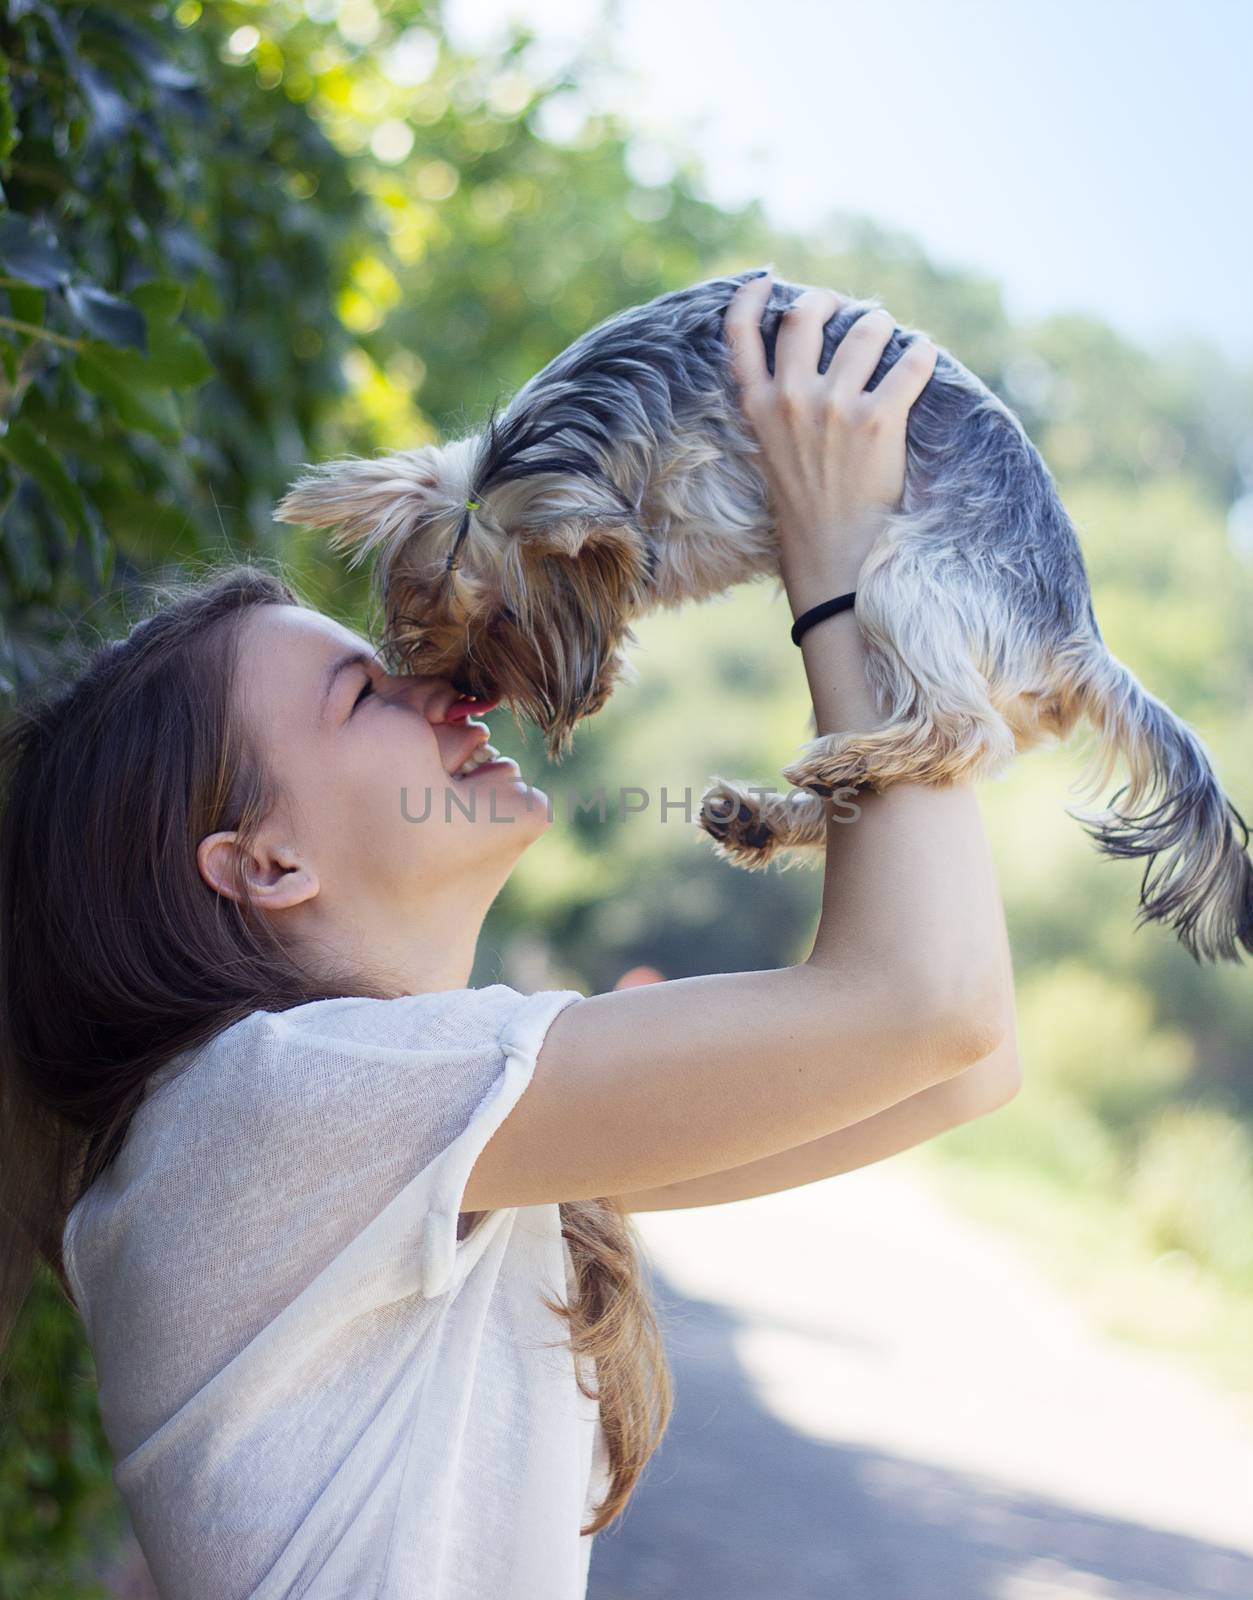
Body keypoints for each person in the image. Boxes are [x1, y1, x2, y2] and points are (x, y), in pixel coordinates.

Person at [0, 274, 1018, 1599]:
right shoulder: (294, 1105)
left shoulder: (316, 1130)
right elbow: (930, 1009)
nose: (449, 689)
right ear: (264, 862)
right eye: (364, 688)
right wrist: (840, 571)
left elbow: (957, 1060)